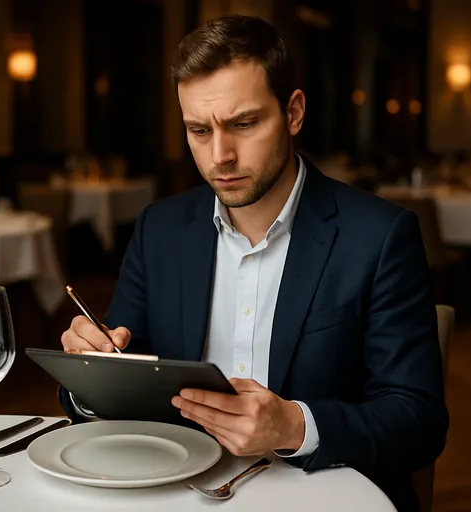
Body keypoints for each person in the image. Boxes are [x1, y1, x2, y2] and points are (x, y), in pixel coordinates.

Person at [60, 14, 448, 512]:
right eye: (198, 130)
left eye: (243, 124)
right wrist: (93, 372)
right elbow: (125, 376)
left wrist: (293, 426)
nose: (220, 155)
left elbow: (419, 421)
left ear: (294, 112)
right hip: (179, 495)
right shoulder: (160, 229)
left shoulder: (379, 236)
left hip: (322, 498)